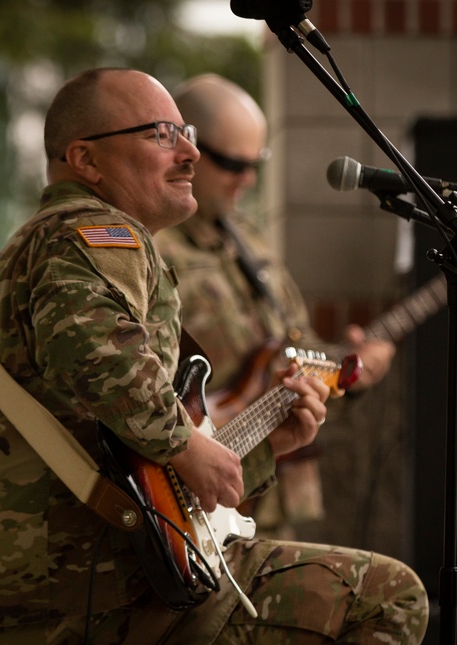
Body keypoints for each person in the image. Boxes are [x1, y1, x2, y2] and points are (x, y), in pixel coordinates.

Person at [0, 67, 427, 645]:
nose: (189, 151)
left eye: (184, 132)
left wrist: (267, 445)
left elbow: (125, 454)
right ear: (85, 159)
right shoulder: (91, 233)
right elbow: (100, 360)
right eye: (161, 134)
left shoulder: (53, 244)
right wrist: (186, 447)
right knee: (389, 599)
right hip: (82, 598)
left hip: (40, 591)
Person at [156, 73, 398, 533]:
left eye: (257, 163)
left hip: (271, 486)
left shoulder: (247, 235)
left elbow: (292, 343)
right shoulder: (153, 245)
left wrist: (349, 371)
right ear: (185, 146)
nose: (247, 179)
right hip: (188, 491)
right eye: (231, 163)